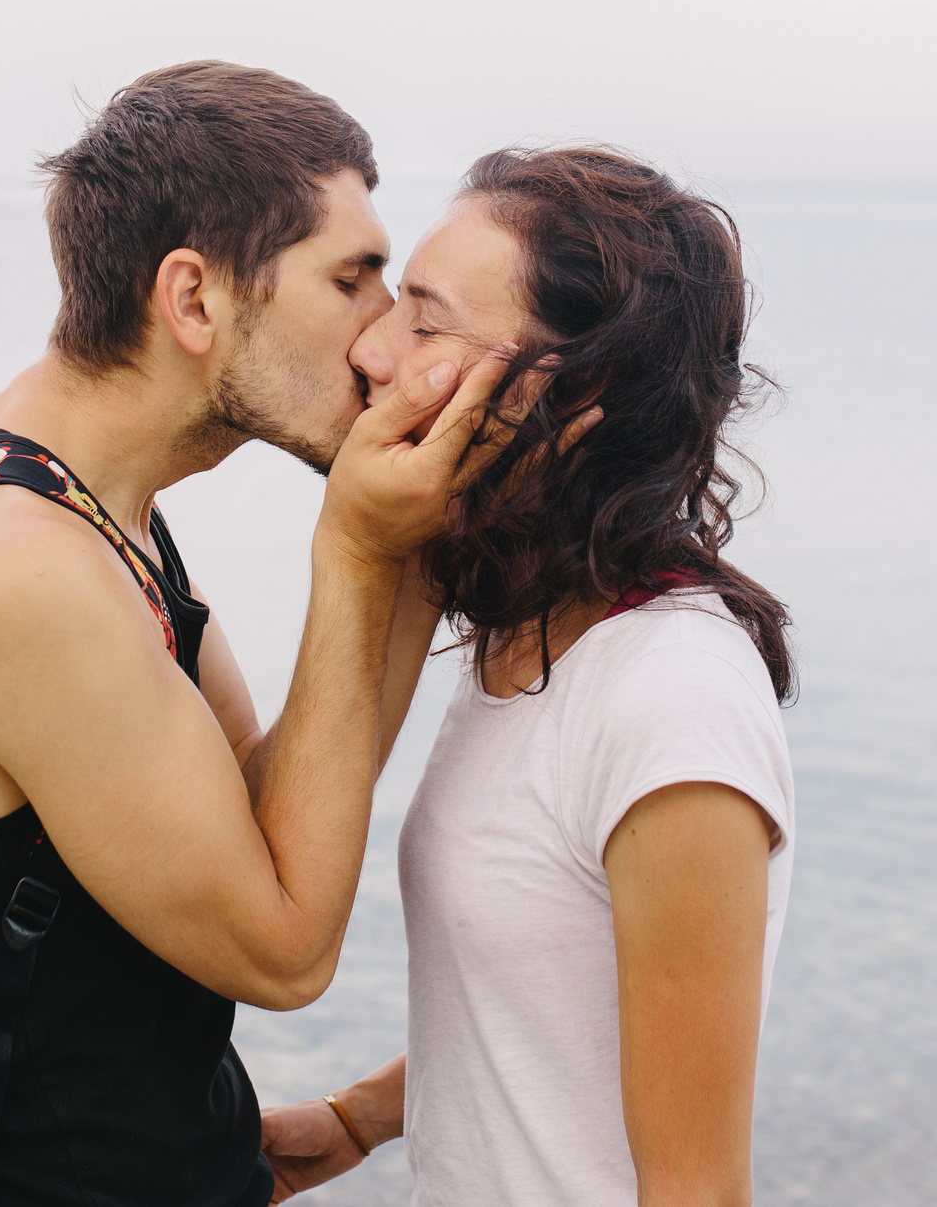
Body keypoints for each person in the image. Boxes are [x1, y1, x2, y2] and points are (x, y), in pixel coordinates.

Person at [0, 62, 507, 1206]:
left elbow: (270, 821)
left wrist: (413, 543)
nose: (382, 344)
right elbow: (283, 950)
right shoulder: (8, 570)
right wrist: (357, 553)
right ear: (195, 299)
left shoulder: (81, 505)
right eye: (352, 279)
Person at [260, 147, 797, 1207]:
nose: (370, 349)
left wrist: (358, 550)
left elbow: (697, 1189)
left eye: (424, 320)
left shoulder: (669, 700)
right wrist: (359, 1121)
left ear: (573, 388)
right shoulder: (533, 627)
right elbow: (566, 999)